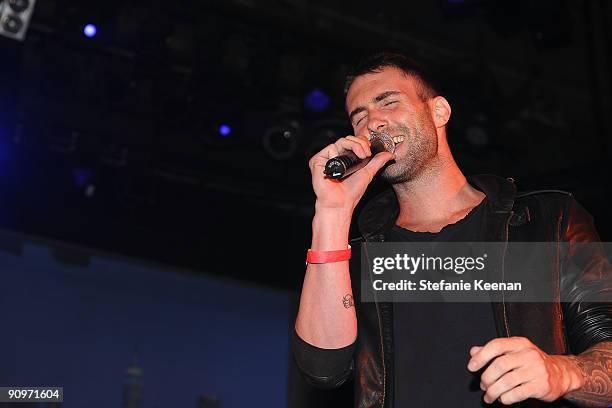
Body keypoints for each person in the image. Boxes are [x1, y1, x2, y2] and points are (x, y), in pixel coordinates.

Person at [292, 52, 612, 407]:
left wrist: (561, 372)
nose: (373, 123)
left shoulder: (548, 220)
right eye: (360, 116)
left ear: (439, 111)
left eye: (389, 103)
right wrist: (332, 213)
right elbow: (322, 368)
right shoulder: (358, 257)